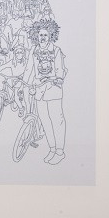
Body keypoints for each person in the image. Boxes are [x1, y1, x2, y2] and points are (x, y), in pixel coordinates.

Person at [25, 18, 67, 164]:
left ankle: (60, 151)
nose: (42, 37)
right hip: (39, 91)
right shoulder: (33, 50)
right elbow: (29, 69)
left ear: (50, 36)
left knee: (57, 120)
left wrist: (57, 78)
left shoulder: (56, 50)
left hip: (53, 90)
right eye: (40, 35)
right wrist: (26, 83)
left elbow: (60, 70)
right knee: (45, 121)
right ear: (36, 36)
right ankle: (52, 149)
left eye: (45, 35)